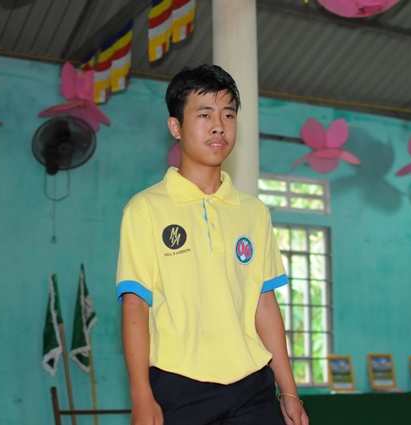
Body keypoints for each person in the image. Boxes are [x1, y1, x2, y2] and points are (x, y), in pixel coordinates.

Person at [116, 64, 309, 425]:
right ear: (175, 127)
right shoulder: (145, 209)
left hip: (252, 388)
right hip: (178, 388)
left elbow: (264, 305)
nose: (219, 126)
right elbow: (135, 305)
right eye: (204, 114)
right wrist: (141, 395)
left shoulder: (254, 212)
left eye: (228, 114)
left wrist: (289, 391)